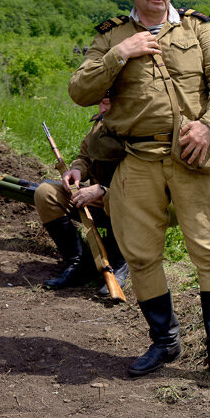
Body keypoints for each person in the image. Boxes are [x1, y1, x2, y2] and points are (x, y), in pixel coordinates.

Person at [68, 0, 210, 382]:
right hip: (139, 160)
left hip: (194, 156)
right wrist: (121, 54)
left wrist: (208, 125)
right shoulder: (112, 37)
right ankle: (164, 342)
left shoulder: (197, 29)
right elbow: (79, 91)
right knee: (142, 254)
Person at [34, 97, 130, 298]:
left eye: (109, 102)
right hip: (98, 199)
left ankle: (119, 263)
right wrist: (77, 171)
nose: (103, 108)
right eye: (101, 102)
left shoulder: (137, 128)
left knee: (118, 200)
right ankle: (78, 263)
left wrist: (103, 190)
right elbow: (85, 156)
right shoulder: (101, 123)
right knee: (46, 192)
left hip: (130, 202)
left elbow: (144, 180)